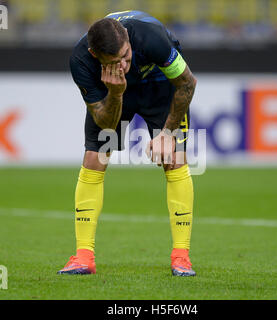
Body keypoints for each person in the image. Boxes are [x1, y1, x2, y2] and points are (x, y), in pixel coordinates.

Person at [57, 10, 197, 277]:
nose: (123, 64)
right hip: (115, 92)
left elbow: (187, 83)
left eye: (126, 55)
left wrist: (167, 133)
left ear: (128, 41)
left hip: (159, 85)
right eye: (115, 61)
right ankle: (83, 257)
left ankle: (181, 257)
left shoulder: (151, 38)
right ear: (95, 55)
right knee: (93, 159)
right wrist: (116, 93)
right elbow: (107, 126)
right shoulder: (81, 61)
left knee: (175, 159)